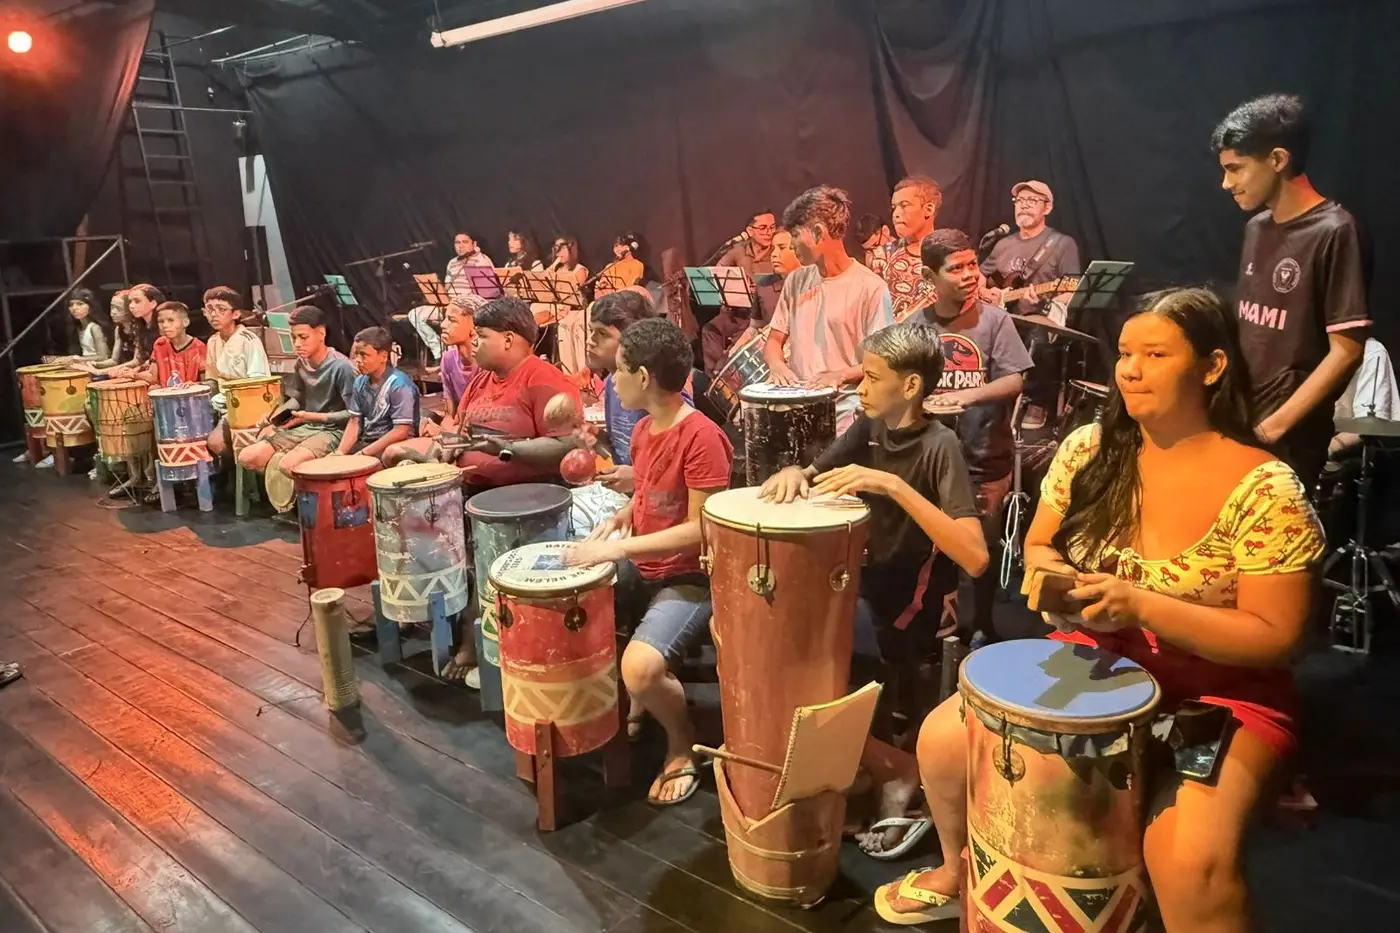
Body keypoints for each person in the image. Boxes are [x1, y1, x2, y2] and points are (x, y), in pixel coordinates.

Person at [875, 287, 1326, 929]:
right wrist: (1056, 583)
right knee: (944, 740)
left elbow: (1276, 638)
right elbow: (1039, 546)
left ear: (1213, 366)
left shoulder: (1264, 486)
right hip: (1100, 658)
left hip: (1223, 690)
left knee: (1188, 860)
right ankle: (955, 873)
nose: (1130, 370)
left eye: (1156, 354)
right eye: (1124, 353)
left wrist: (1142, 606)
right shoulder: (1090, 449)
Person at [760, 322, 987, 857]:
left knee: (833, 664)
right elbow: (815, 472)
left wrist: (891, 484)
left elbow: (976, 556)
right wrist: (794, 473)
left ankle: (896, 774)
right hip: (866, 584)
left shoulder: (941, 446)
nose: (858, 387)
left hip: (913, 601)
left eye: (871, 377)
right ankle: (876, 765)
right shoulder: (868, 426)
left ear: (910, 386)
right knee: (809, 655)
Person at [564, 317, 733, 806]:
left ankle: (681, 746)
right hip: (647, 564)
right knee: (569, 599)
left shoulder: (700, 436)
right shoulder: (642, 430)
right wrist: (623, 515)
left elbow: (702, 528)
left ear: (643, 376)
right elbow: (652, 493)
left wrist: (616, 548)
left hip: (691, 576)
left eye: (618, 370)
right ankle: (625, 703)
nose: (611, 380)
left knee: (640, 668)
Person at [1213, 92, 1369, 490]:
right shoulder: (1256, 228)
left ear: (1278, 159)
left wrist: (1272, 429)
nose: (1226, 183)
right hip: (1241, 420)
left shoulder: (1335, 230)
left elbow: (1347, 351)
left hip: (1288, 440)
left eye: (1235, 169)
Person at [918, 230, 1034, 645]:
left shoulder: (995, 320)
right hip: (932, 460)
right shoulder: (916, 325)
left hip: (983, 457)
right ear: (930, 276)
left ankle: (982, 624)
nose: (970, 274)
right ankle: (939, 627)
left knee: (981, 551)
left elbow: (1015, 380)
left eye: (972, 265)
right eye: (956, 268)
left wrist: (965, 396)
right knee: (933, 552)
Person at [764, 186, 895, 433]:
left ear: (817, 232)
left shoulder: (871, 288)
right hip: (797, 405)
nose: (792, 245)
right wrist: (777, 365)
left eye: (795, 235)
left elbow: (884, 361)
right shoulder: (796, 280)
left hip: (845, 409)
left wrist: (840, 375)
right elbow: (774, 340)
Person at [981, 180, 1084, 429]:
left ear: (1047, 208)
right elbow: (979, 278)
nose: (1024, 206)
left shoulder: (1061, 244)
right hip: (1004, 315)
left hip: (1040, 317)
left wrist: (1047, 300)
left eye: (1032, 201)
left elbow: (1071, 288)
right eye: (1020, 201)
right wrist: (988, 293)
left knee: (1037, 332)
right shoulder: (1003, 244)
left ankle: (1036, 401)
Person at [237, 305, 356, 486]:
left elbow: (354, 415)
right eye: (293, 337)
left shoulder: (341, 367)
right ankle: (290, 490)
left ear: (321, 334)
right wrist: (274, 418)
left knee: (288, 465)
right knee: (248, 457)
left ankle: (309, 495)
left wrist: (314, 417)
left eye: (303, 337)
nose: (297, 343)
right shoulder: (301, 362)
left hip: (334, 431)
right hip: (307, 426)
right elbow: (298, 399)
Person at [701, 209, 780, 373]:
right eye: (763, 228)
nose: (769, 232)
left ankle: (724, 374)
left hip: (760, 316)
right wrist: (734, 284)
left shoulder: (778, 252)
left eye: (772, 227)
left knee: (738, 341)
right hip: (736, 312)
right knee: (710, 330)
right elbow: (717, 272)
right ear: (750, 231)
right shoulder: (738, 251)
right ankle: (713, 376)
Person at [204, 286, 273, 459]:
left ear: (235, 314)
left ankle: (240, 468)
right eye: (210, 309)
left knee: (216, 442)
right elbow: (212, 379)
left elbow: (258, 382)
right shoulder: (213, 341)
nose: (214, 314)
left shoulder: (248, 340)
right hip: (222, 403)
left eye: (221, 309)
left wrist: (226, 394)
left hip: (246, 404)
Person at [406, 232, 493, 361]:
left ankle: (457, 357)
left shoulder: (482, 260)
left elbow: (486, 292)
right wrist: (440, 295)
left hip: (468, 308)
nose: (460, 246)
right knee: (415, 314)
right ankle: (439, 353)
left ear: (474, 244)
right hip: (449, 305)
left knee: (454, 321)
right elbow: (447, 288)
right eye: (457, 243)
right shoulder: (452, 263)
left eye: (465, 242)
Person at [336, 326, 419, 459]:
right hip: (367, 442)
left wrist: (363, 454)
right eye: (356, 354)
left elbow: (401, 431)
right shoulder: (359, 382)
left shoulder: (400, 385)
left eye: (364, 355)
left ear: (383, 356)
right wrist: (340, 453)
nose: (357, 360)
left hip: (394, 446)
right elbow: (354, 422)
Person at [881, 176, 940, 321]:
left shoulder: (949, 257)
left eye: (904, 205)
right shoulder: (882, 256)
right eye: (894, 208)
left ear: (928, 209)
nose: (896, 214)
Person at [1331, 337, 1398, 457]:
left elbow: (1369, 425)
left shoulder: (1371, 351)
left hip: (1338, 455)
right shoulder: (1300, 350)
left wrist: (1328, 448)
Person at [547, 235, 591, 375]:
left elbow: (575, 291)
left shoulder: (580, 269)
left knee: (579, 353)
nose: (559, 254)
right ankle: (569, 378)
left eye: (562, 250)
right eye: (557, 250)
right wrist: (552, 268)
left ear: (571, 250)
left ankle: (582, 379)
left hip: (578, 314)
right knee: (565, 353)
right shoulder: (556, 270)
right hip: (562, 314)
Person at [141, 302, 207, 386]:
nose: (165, 325)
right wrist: (132, 374)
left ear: (185, 322)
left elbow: (206, 382)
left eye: (170, 320)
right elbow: (153, 377)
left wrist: (195, 385)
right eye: (161, 321)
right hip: (166, 393)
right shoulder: (160, 344)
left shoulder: (199, 348)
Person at [54, 287, 111, 365]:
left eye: (80, 304)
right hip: (84, 365)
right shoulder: (78, 327)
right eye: (71, 305)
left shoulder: (95, 328)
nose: (74, 308)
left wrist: (77, 359)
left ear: (90, 306)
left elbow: (103, 356)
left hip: (96, 366)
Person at [594, 233, 646, 297]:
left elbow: (632, 288)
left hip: (625, 299)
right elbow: (600, 288)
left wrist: (614, 292)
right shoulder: (610, 266)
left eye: (622, 245)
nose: (618, 249)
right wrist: (601, 286)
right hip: (607, 300)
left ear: (629, 248)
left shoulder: (637, 265)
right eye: (615, 246)